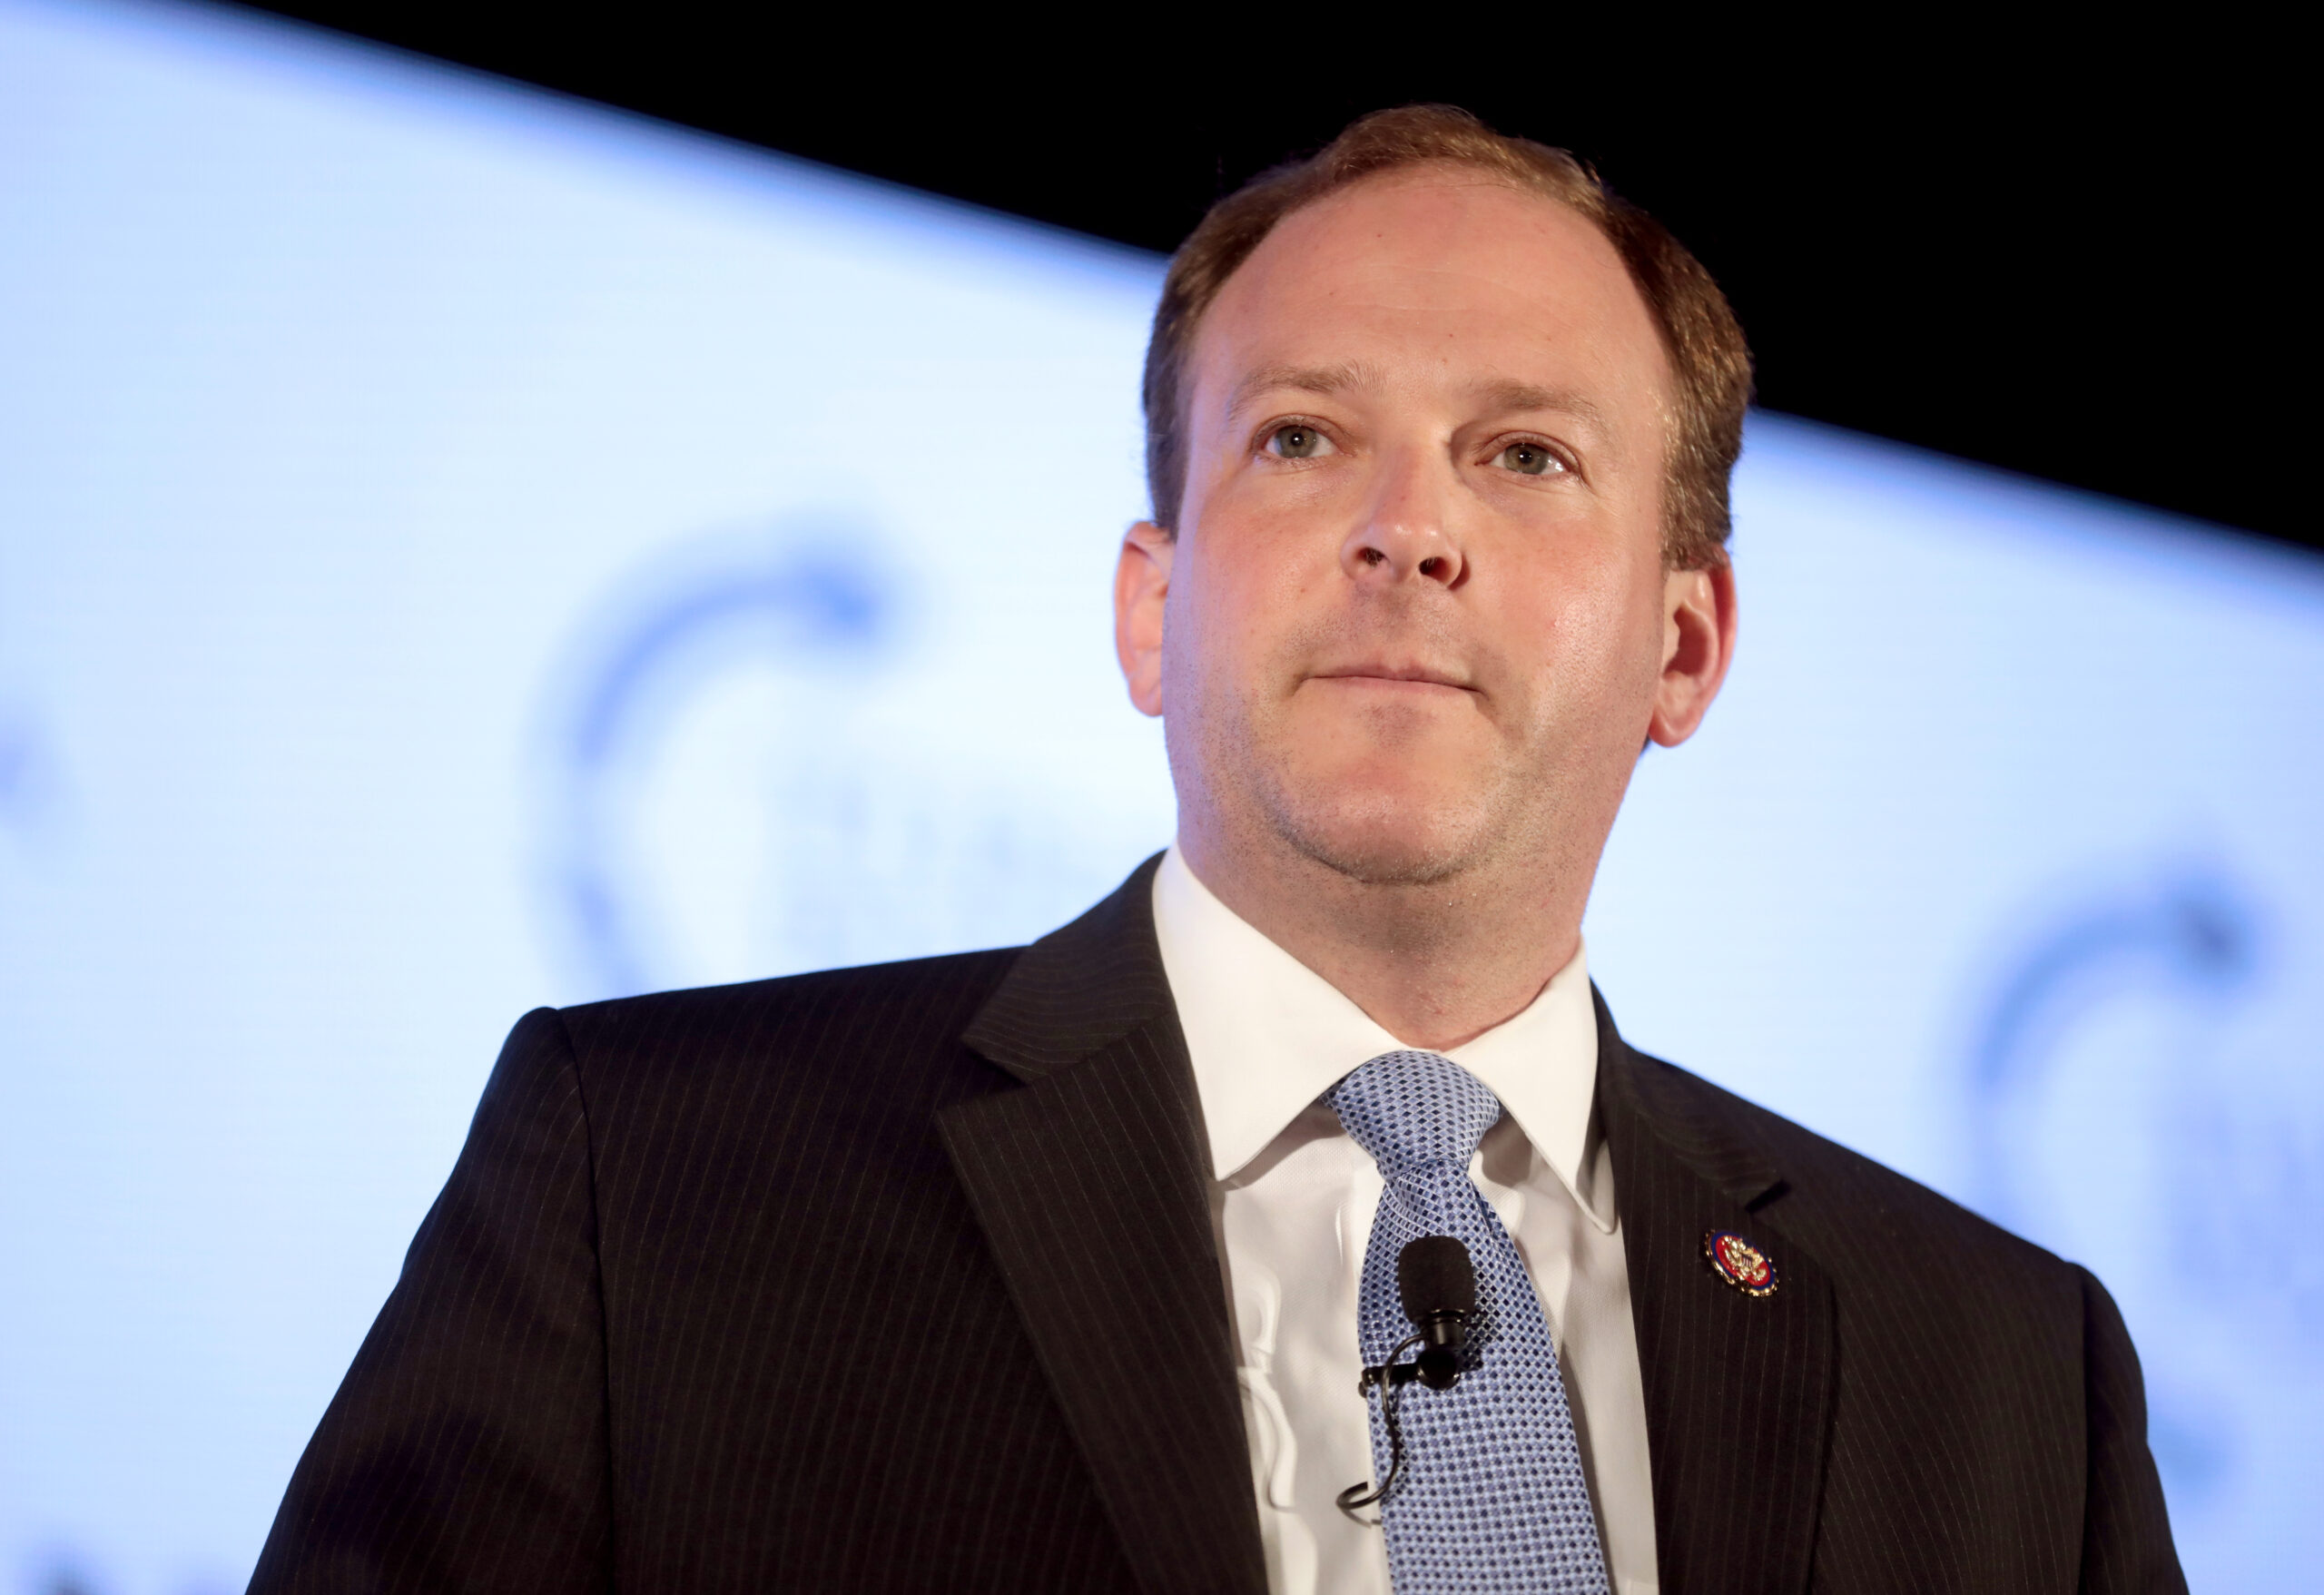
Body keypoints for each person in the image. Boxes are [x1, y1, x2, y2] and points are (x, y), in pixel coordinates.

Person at [249, 105, 2183, 1594]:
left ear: (1682, 643)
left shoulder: (2004, 1384)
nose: (1406, 532)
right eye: (1299, 439)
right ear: (1142, 612)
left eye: (1524, 456)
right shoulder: (651, 1176)